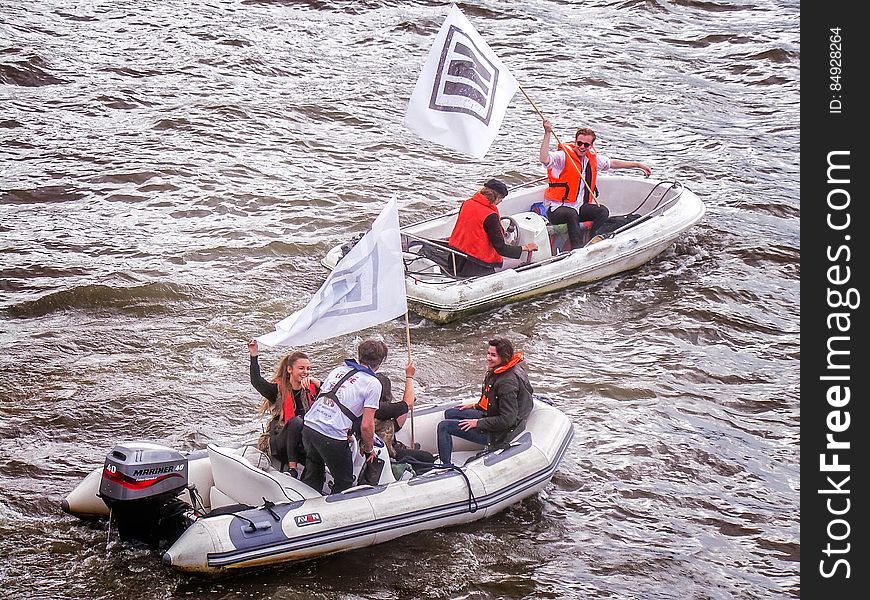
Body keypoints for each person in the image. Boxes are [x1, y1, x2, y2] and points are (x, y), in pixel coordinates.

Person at [539, 119, 652, 247]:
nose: (582, 147)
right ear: (575, 142)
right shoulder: (563, 157)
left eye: (586, 145)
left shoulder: (592, 158)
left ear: (591, 146)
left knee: (602, 211)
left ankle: (594, 241)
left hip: (577, 206)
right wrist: (547, 133)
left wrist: (638, 165)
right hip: (557, 209)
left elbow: (612, 164)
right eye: (579, 143)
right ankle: (578, 248)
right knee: (571, 214)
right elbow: (544, 158)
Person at [300, 339, 386, 494]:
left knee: (314, 472)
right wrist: (368, 449)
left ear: (360, 356)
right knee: (344, 481)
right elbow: (367, 425)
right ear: (380, 362)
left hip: (309, 426)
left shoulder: (339, 370)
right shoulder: (373, 383)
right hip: (330, 435)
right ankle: (337, 514)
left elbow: (329, 397)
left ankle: (308, 506)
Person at [436, 338, 534, 465]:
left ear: (504, 357)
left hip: (501, 434)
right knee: (450, 413)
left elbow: (507, 420)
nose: (488, 357)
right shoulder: (501, 371)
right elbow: (493, 401)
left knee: (444, 426)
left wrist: (478, 423)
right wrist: (474, 406)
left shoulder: (507, 382)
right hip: (493, 417)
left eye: (493, 355)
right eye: (488, 353)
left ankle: (446, 467)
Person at [247, 339, 320, 477]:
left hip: (303, 440)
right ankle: (292, 469)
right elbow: (257, 381)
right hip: (281, 441)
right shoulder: (277, 390)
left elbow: (332, 394)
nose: (305, 372)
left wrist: (314, 381)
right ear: (289, 369)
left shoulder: (312, 389)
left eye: (308, 368)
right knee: (297, 421)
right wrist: (254, 356)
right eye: (301, 368)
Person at [447, 178, 539, 277]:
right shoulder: (490, 216)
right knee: (522, 262)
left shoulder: (467, 203)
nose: (500, 202)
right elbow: (501, 249)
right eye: (501, 199)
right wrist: (525, 248)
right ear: (497, 197)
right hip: (477, 265)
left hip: (455, 258)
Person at [374, 361, 437, 470]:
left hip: (388, 446)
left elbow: (396, 424)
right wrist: (409, 376)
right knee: (428, 457)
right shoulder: (381, 409)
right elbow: (406, 404)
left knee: (415, 452)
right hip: (388, 453)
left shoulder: (371, 407)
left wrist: (408, 404)